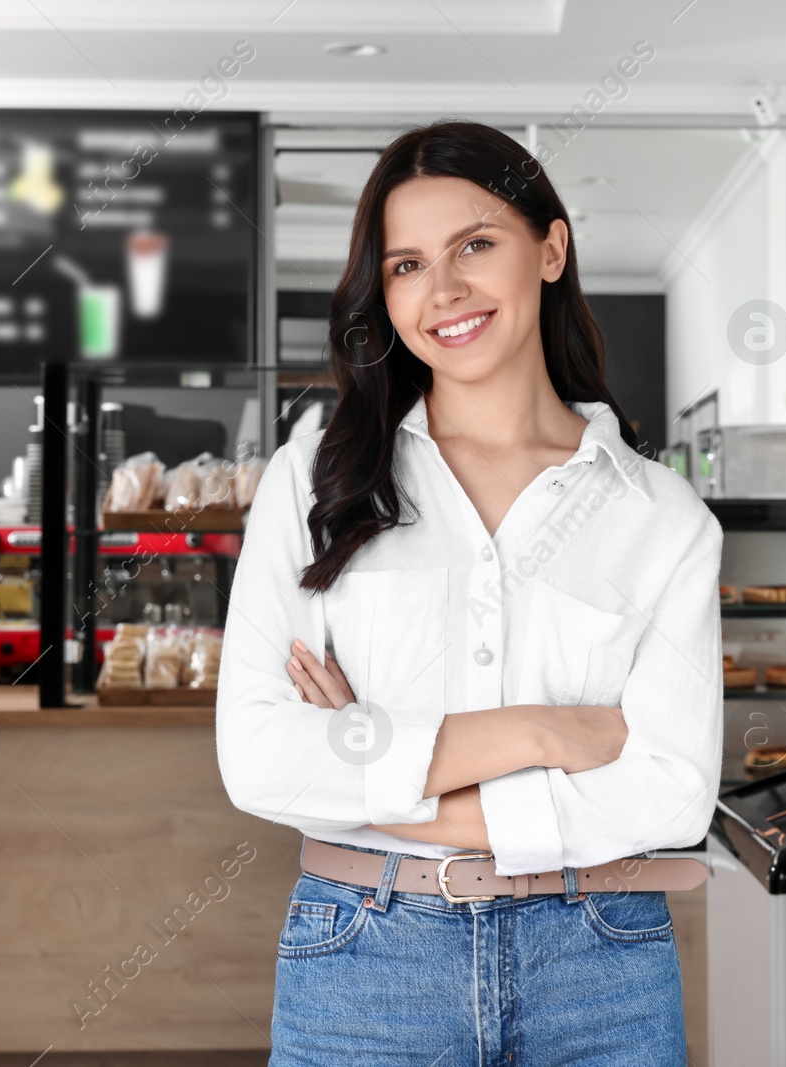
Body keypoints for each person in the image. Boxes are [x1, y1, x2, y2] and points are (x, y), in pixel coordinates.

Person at [214, 120, 723, 1066]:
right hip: (364, 959)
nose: (442, 291)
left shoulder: (663, 516)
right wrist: (547, 732)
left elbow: (673, 792)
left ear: (552, 248)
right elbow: (257, 756)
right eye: (405, 266)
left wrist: (383, 784)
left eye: (476, 246)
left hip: (601, 964)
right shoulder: (314, 481)